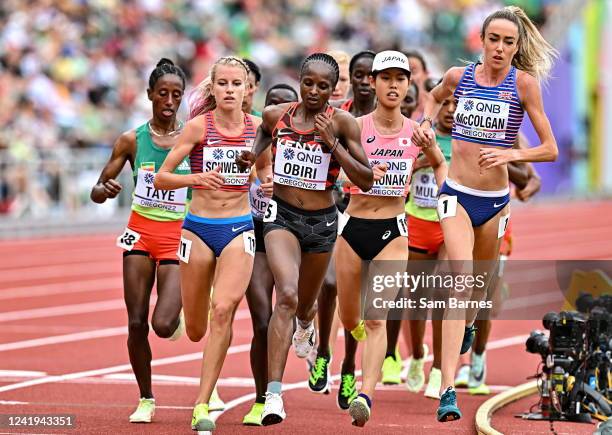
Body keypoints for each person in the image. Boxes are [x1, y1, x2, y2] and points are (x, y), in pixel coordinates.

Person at [412, 6, 558, 421]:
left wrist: (512, 153)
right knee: (460, 282)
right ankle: (447, 390)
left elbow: (549, 148)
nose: (499, 48)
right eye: (493, 39)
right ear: (482, 40)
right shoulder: (461, 77)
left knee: (479, 288)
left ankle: (472, 325)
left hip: (494, 203)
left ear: (516, 47)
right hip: (455, 193)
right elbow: (432, 95)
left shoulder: (524, 85)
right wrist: (424, 121)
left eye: (508, 42)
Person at [237, 52, 374, 425]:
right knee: (287, 295)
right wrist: (251, 157)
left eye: (323, 86)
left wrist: (333, 145)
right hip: (281, 217)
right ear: (299, 81)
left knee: (306, 305)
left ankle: (306, 324)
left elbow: (366, 179)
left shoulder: (343, 123)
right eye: (308, 83)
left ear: (334, 89)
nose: (314, 91)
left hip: (322, 223)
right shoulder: (277, 115)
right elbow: (264, 132)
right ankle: (274, 398)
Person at [335, 51, 446, 427]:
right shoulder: (354, 126)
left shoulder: (417, 132)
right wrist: (350, 177)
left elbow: (440, 161)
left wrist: (446, 192)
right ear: (374, 83)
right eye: (387, 78)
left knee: (377, 318)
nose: (394, 85)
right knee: (351, 318)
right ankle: (358, 342)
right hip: (351, 227)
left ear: (407, 86)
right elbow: (332, 170)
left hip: (392, 231)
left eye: (401, 79)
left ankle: (365, 393)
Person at [154, 56, 261, 431]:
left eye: (237, 84)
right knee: (197, 327)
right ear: (212, 88)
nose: (230, 90)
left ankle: (201, 404)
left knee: (224, 309)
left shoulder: (259, 128)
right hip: (197, 228)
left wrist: (265, 176)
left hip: (238, 228)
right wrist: (196, 179)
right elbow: (162, 178)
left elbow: (269, 176)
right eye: (224, 84)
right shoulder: (199, 127)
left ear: (248, 89)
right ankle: (190, 316)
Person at [90, 58, 188, 423]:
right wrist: (105, 189)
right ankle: (146, 397)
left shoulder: (190, 138)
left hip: (178, 235)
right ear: (149, 95)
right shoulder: (132, 139)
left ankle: (181, 309)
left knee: (163, 324)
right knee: (136, 323)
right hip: (140, 232)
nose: (168, 100)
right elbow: (97, 191)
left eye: (176, 94)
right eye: (162, 93)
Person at [309, 49, 378, 411]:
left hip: (375, 216)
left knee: (358, 298)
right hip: (339, 211)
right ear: (350, 80)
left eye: (372, 75)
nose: (366, 81)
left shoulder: (390, 118)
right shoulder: (337, 116)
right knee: (332, 283)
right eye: (359, 75)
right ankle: (323, 350)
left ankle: (350, 366)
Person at [455, 132, 542, 395]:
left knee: (485, 300)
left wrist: (503, 162)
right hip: (460, 217)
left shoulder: (510, 129)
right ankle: (460, 364)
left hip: (496, 219)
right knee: (459, 290)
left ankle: (478, 357)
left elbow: (529, 177)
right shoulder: (459, 123)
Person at [242, 84, 299, 427]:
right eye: (271, 105)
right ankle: (262, 397)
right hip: (258, 234)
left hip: (294, 233)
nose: (277, 111)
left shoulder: (303, 144)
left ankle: (307, 332)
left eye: (283, 105)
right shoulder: (253, 143)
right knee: (261, 321)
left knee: (292, 305)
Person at [405, 50, 429, 121]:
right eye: (404, 72)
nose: (410, 78)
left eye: (413, 71)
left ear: (426, 74)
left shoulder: (435, 104)